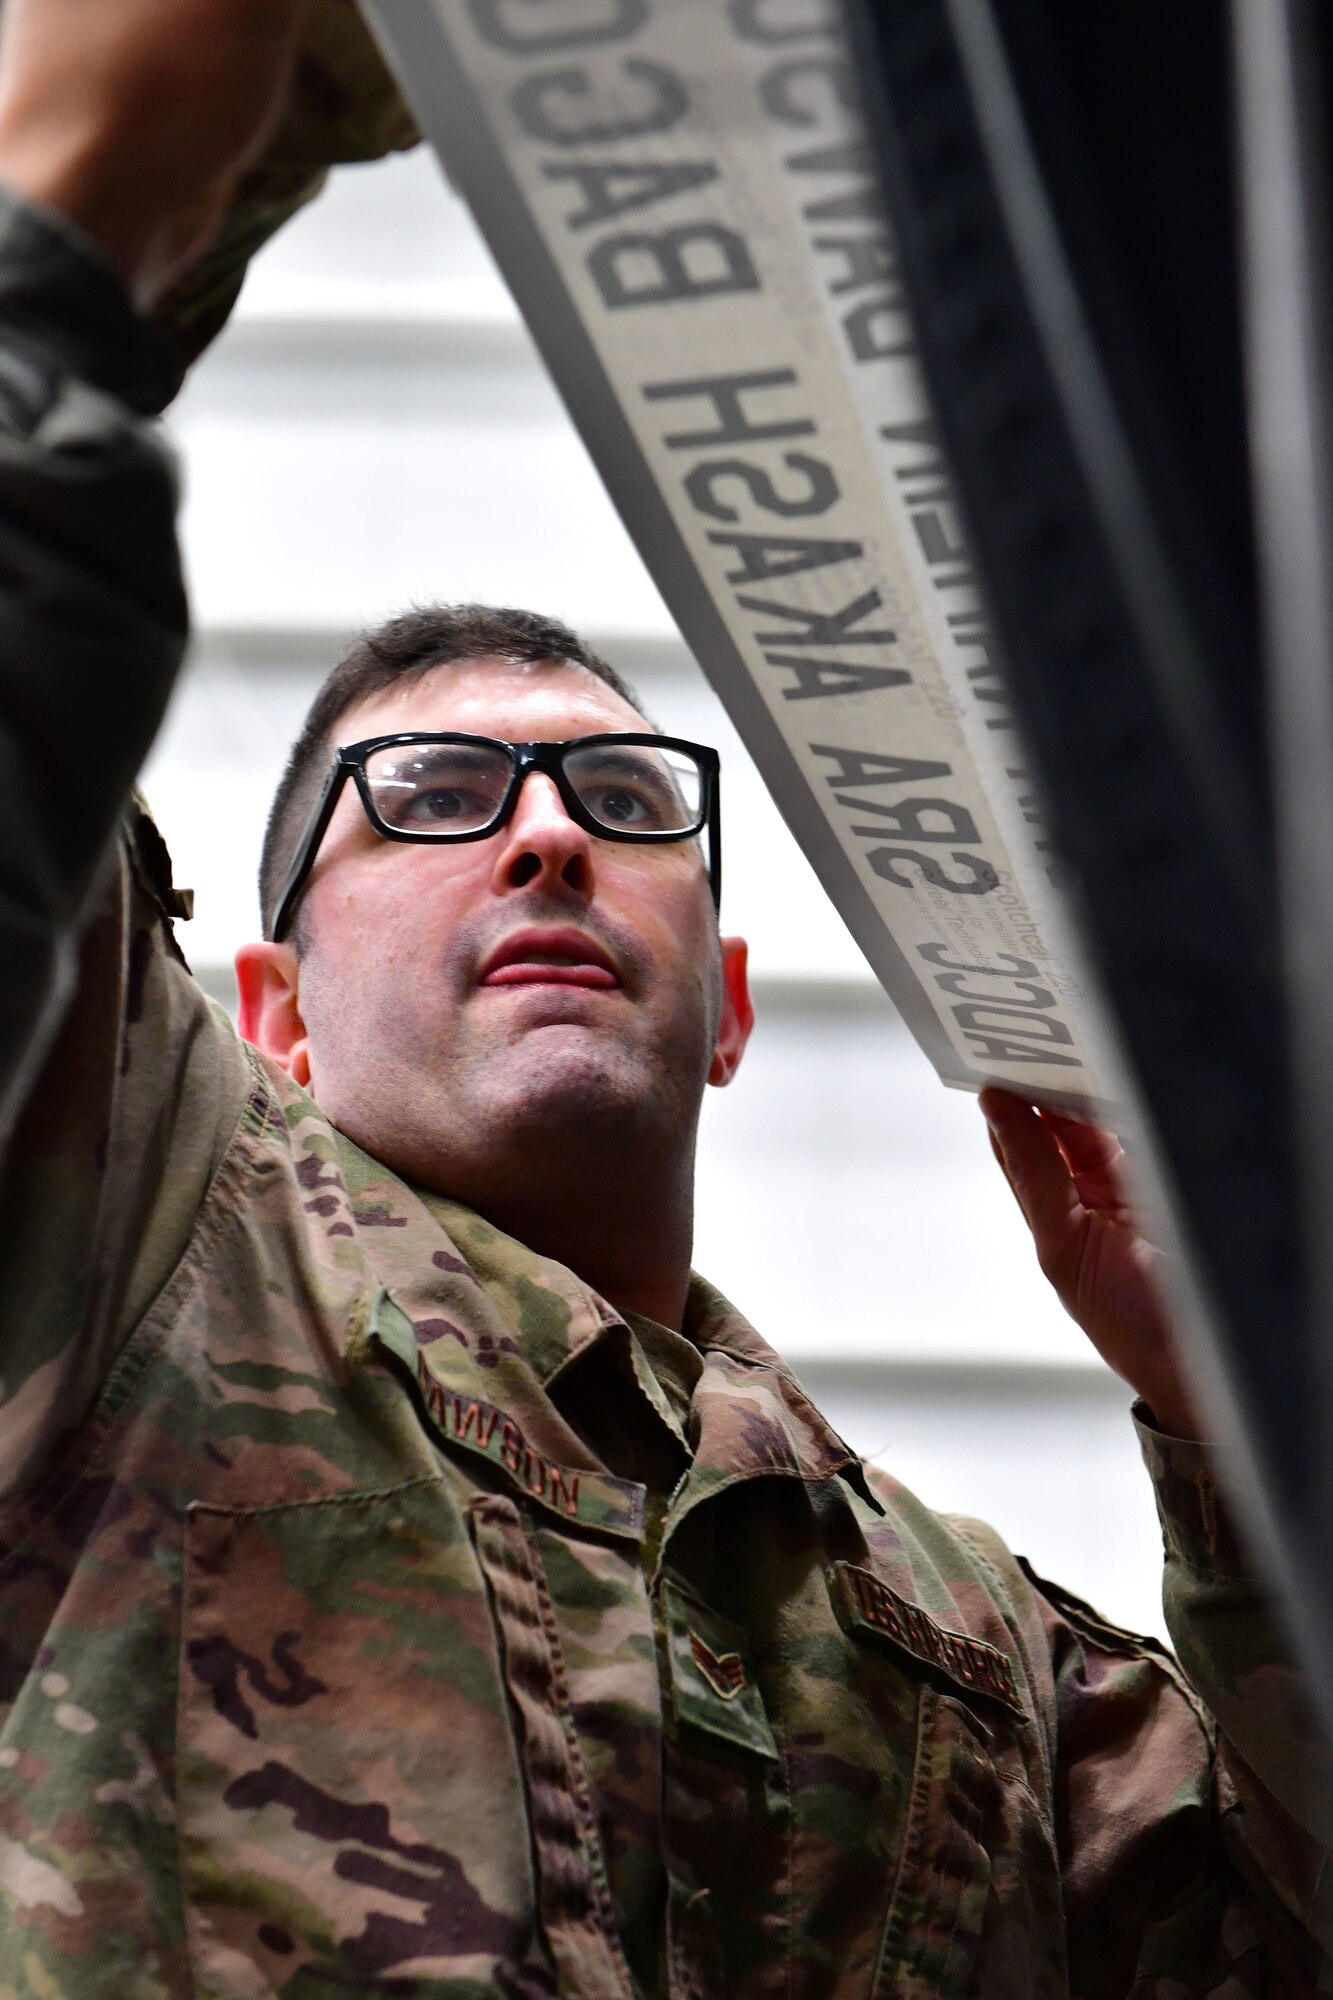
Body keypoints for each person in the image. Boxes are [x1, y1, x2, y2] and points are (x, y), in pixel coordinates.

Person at [0, 2, 1325, 1994]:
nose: (545, 839)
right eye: (433, 798)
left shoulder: (978, 1650)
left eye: (622, 801)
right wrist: (204, 124)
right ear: (261, 1009)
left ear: (723, 1007)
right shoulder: (139, 1217)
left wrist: (1236, 1406)